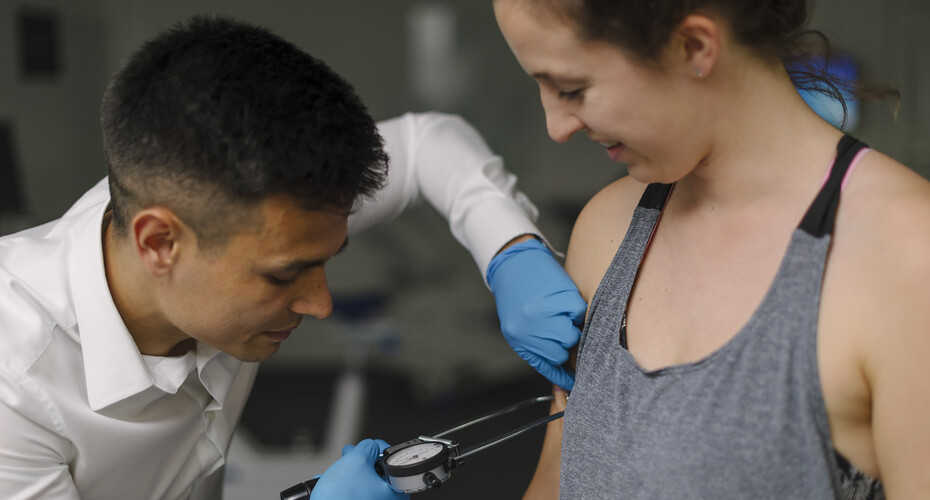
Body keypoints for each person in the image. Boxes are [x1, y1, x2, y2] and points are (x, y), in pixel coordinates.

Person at [0, 16, 586, 499]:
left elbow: (428, 141)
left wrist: (511, 251)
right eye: (285, 275)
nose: (320, 304)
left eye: (323, 261)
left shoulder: (252, 210)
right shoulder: (15, 391)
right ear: (160, 244)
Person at [490, 0, 930, 498]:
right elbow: (555, 483)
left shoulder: (905, 256)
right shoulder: (607, 228)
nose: (557, 126)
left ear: (694, 47)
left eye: (571, 87)